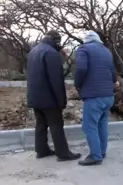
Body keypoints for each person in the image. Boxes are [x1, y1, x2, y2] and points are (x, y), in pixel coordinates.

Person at [26, 30, 81, 161]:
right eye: (59, 42)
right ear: (56, 41)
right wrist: (61, 101)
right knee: (56, 125)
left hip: (35, 96)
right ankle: (63, 154)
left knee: (40, 124)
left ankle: (41, 150)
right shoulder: (51, 54)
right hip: (49, 98)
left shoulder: (33, 51)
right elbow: (56, 80)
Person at [75, 30, 119, 166]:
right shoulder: (106, 51)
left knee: (89, 126)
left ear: (86, 40)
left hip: (94, 96)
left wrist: (78, 84)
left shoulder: (83, 49)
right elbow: (113, 72)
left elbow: (81, 69)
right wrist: (114, 81)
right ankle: (101, 151)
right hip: (108, 96)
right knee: (102, 124)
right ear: (98, 39)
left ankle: (95, 155)